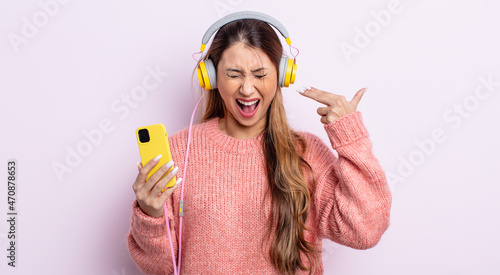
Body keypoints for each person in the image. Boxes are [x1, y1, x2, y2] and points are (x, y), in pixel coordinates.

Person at [127, 14, 391, 275]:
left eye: (259, 74)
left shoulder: (307, 154)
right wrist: (151, 214)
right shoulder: (178, 153)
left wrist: (350, 137)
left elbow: (365, 231)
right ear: (212, 78)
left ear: (281, 76)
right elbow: (159, 268)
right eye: (233, 74)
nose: (247, 88)